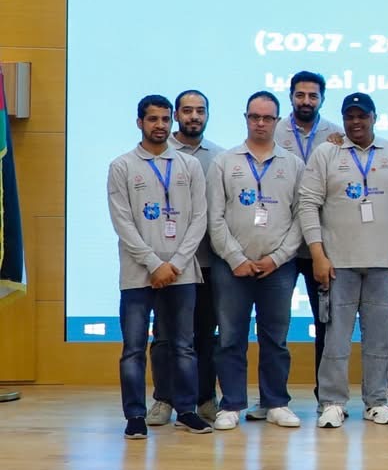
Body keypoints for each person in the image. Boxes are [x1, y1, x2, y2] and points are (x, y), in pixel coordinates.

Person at [297, 92, 388, 429]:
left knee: (380, 339)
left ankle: (377, 401)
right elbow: (308, 204)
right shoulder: (326, 153)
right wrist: (318, 254)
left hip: (384, 264)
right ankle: (332, 402)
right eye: (349, 116)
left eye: (362, 116)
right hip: (338, 264)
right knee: (336, 339)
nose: (356, 122)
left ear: (374, 117)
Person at [109, 94, 212, 437]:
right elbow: (122, 222)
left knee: (184, 346)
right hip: (138, 275)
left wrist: (176, 263)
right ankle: (135, 416)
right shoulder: (122, 166)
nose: (160, 125)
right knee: (134, 349)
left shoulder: (188, 165)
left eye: (166, 119)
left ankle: (186, 410)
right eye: (153, 119)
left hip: (181, 273)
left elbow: (200, 218)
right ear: (140, 122)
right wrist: (155, 264)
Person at [205, 90, 304, 430]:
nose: (260, 123)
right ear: (246, 118)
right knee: (230, 337)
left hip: (278, 268)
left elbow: (301, 217)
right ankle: (231, 404)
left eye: (267, 118)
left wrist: (278, 257)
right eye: (254, 117)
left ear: (278, 121)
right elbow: (214, 217)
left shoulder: (293, 164)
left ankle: (275, 402)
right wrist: (235, 258)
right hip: (232, 266)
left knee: (275, 339)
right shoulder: (225, 162)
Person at [161, 88, 222, 425]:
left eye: (200, 110)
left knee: (205, 335)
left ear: (207, 115)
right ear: (176, 115)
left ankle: (205, 398)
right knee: (165, 336)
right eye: (187, 110)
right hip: (167, 265)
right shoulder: (159, 153)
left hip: (208, 262)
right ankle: (163, 399)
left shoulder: (220, 157)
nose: (194, 116)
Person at [284, 72, 340, 370]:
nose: (306, 101)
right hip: (283, 244)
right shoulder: (274, 132)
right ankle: (274, 392)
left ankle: (325, 391)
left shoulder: (338, 135)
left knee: (326, 321)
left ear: (322, 99)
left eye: (313, 96)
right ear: (291, 96)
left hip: (323, 245)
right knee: (277, 322)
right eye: (300, 95)